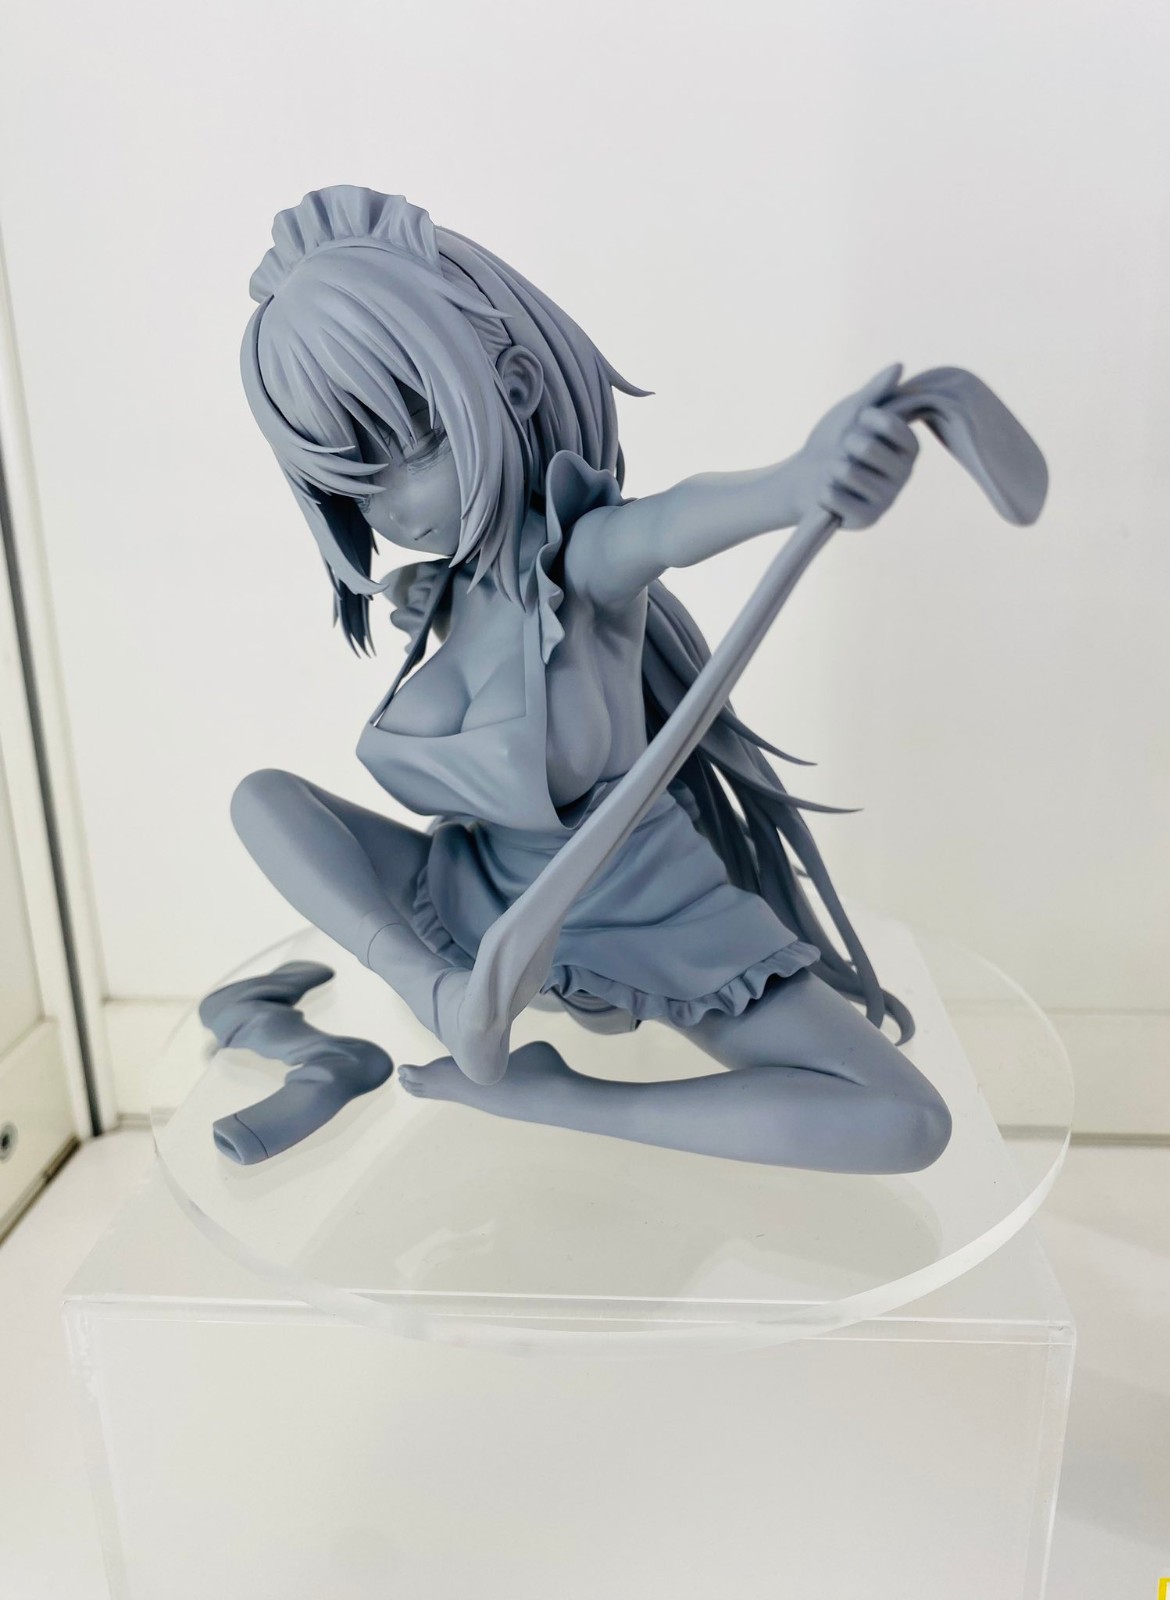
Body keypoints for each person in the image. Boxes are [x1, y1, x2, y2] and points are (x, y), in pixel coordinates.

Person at [213, 184, 952, 1174]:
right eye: (354, 478)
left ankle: (565, 1101)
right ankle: (430, 991)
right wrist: (437, 601)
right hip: (473, 906)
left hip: (642, 912)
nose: (391, 507)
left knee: (904, 1121)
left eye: (414, 446)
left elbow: (672, 523)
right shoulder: (448, 589)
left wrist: (797, 483)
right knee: (263, 800)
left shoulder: (584, 560)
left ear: (513, 387)